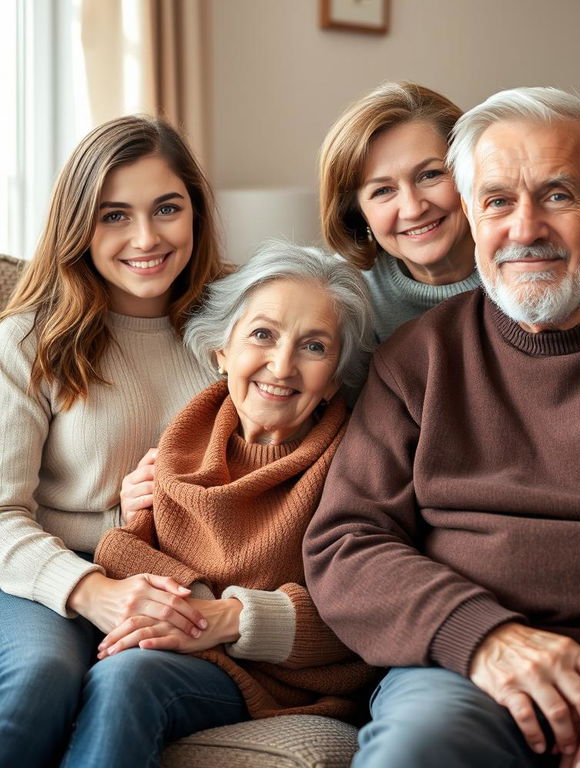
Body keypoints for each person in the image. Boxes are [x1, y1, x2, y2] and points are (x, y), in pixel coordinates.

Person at [305, 87, 580, 768]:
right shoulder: (412, 356)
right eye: (497, 201)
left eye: (556, 195)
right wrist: (482, 638)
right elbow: (344, 542)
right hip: (462, 672)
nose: (524, 229)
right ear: (470, 212)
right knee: (416, 751)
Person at [57, 241, 375, 768]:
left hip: (284, 679)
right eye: (262, 335)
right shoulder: (188, 436)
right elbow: (126, 548)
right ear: (223, 350)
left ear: (335, 379)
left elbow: (363, 610)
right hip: (177, 646)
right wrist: (193, 605)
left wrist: (227, 617)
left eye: (314, 347)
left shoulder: (358, 463)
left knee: (126, 676)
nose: (282, 364)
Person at [0, 115, 226, 768]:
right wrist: (96, 586)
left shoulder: (237, 328)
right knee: (42, 675)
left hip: (177, 583)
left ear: (196, 212)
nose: (147, 238)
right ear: (78, 225)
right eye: (114, 216)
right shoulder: (28, 341)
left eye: (167, 209)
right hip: (41, 580)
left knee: (125, 681)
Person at [320, 80, 580, 341]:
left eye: (431, 175)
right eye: (382, 190)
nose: (413, 208)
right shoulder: (345, 295)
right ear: (357, 212)